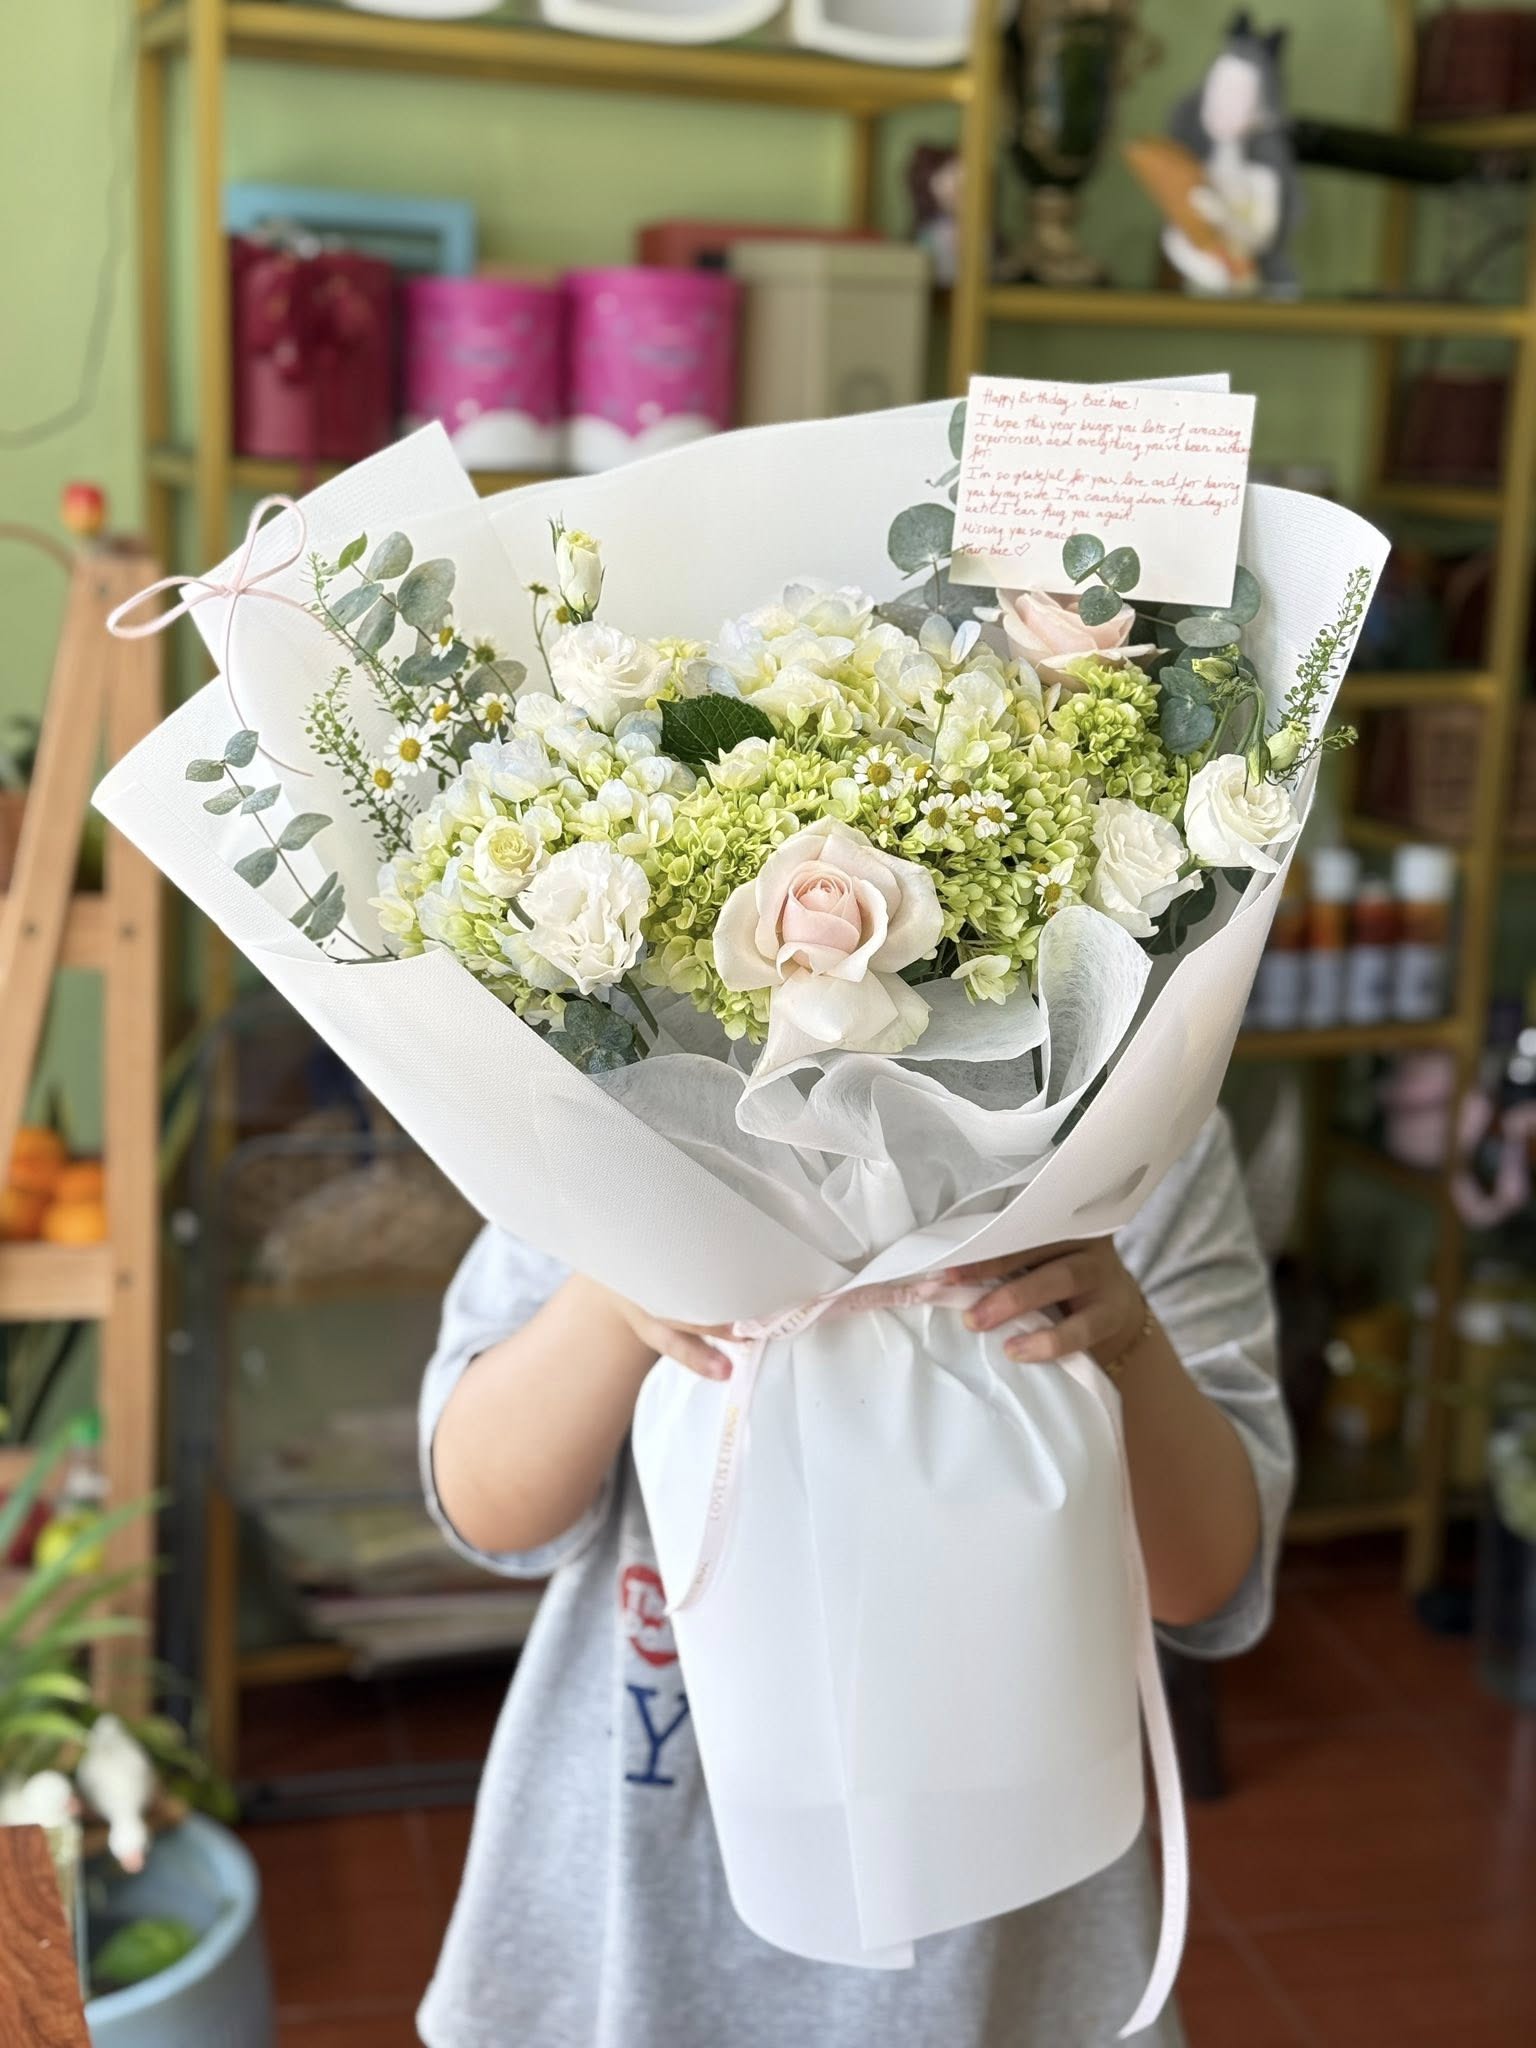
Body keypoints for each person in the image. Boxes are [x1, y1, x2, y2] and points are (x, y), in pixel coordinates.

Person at [416, 1108, 1289, 2048]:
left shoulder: (1132, 1123)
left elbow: (1207, 1582)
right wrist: (612, 1291)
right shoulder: (602, 1107)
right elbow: (486, 1506)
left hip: (1004, 1884)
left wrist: (1120, 1337)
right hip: (648, 1863)